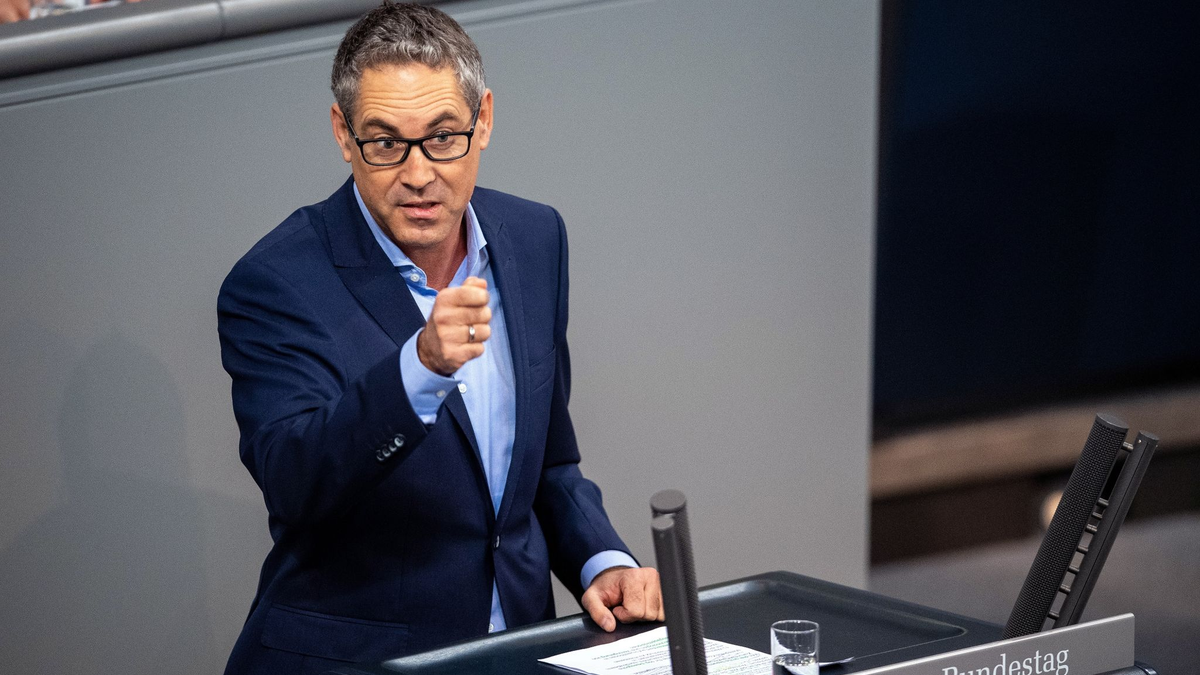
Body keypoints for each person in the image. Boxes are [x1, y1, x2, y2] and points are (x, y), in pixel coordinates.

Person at [216, 3, 663, 673]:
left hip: (515, 649)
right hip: (356, 659)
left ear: (483, 120)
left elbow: (547, 465)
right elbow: (295, 482)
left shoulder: (535, 239)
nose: (419, 172)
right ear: (344, 134)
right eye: (386, 141)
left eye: (443, 136)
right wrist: (418, 369)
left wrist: (602, 560)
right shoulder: (275, 282)